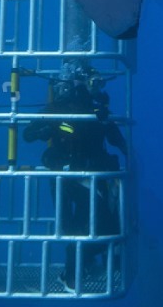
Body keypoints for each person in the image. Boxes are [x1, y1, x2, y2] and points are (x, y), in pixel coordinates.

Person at [23, 62, 127, 292]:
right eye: (92, 83)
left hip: (92, 174)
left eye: (97, 84)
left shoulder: (97, 110)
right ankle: (73, 272)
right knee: (77, 225)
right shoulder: (59, 109)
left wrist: (124, 146)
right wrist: (44, 131)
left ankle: (84, 264)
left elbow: (115, 138)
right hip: (67, 175)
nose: (94, 88)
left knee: (104, 223)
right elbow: (27, 134)